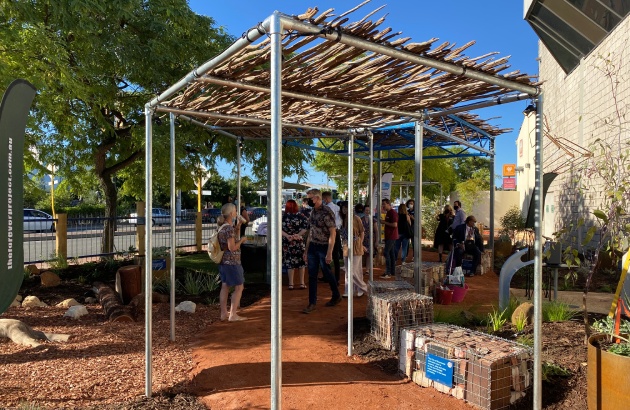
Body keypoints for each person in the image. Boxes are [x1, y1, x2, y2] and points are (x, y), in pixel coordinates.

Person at [302, 189, 341, 313]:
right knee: (312, 275)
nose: (308, 201)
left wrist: (329, 252)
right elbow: (310, 232)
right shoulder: (312, 212)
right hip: (313, 246)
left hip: (324, 247)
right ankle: (312, 302)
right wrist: (306, 250)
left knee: (327, 271)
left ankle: (336, 294)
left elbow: (333, 233)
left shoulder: (327, 212)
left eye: (310, 198)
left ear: (317, 198)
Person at [217, 203, 248, 322]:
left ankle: (224, 313)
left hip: (224, 261)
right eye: (235, 210)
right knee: (239, 286)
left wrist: (239, 224)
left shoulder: (223, 227)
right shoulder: (228, 228)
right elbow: (232, 247)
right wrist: (242, 240)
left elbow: (231, 235)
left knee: (225, 286)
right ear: (231, 213)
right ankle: (233, 314)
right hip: (232, 262)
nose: (236, 212)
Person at [339, 202, 368, 297]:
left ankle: (363, 288)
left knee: (354, 270)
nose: (344, 210)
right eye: (343, 208)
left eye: (346, 208)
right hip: (346, 245)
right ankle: (349, 290)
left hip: (356, 244)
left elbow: (362, 232)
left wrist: (360, 243)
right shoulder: (342, 219)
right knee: (348, 270)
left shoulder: (356, 218)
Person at [282, 199, 309, 290]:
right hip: (299, 241)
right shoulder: (301, 216)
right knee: (301, 262)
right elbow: (305, 228)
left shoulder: (283, 216)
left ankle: (291, 284)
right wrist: (298, 235)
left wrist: (288, 236)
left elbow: (278, 228)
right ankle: (301, 283)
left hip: (288, 242)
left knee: (290, 263)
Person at [322, 191, 342, 284]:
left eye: (323, 199)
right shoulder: (337, 207)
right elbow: (340, 221)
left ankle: (328, 276)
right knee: (335, 255)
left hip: (328, 232)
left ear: (326, 199)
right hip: (337, 231)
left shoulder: (326, 208)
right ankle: (336, 278)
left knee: (327, 253)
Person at [356, 203, 378, 274]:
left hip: (371, 239)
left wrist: (377, 241)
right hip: (362, 239)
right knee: (361, 254)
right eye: (366, 210)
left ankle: (367, 269)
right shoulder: (360, 219)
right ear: (364, 211)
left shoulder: (373, 220)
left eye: (369, 210)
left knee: (369, 254)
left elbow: (376, 231)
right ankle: (360, 269)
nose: (367, 211)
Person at [380, 198, 398, 279]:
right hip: (389, 236)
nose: (383, 206)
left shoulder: (393, 213)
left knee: (386, 253)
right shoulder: (388, 212)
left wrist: (384, 222)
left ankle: (388, 272)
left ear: (388, 204)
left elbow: (394, 225)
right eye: (382, 204)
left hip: (392, 236)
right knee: (391, 253)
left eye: (384, 204)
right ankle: (392, 271)